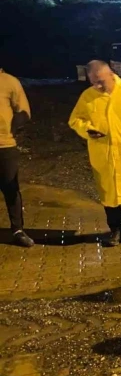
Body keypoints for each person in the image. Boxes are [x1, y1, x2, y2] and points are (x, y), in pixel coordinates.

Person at [69, 60, 121, 248]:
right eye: (93, 82)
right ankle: (116, 230)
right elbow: (75, 120)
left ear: (110, 73)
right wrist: (88, 129)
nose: (97, 85)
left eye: (100, 81)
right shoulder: (88, 96)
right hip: (103, 154)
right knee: (109, 195)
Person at [0, 68, 34, 247]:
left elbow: (24, 111)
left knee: (11, 189)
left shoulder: (9, 82)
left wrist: (13, 129)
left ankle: (18, 230)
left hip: (4, 146)